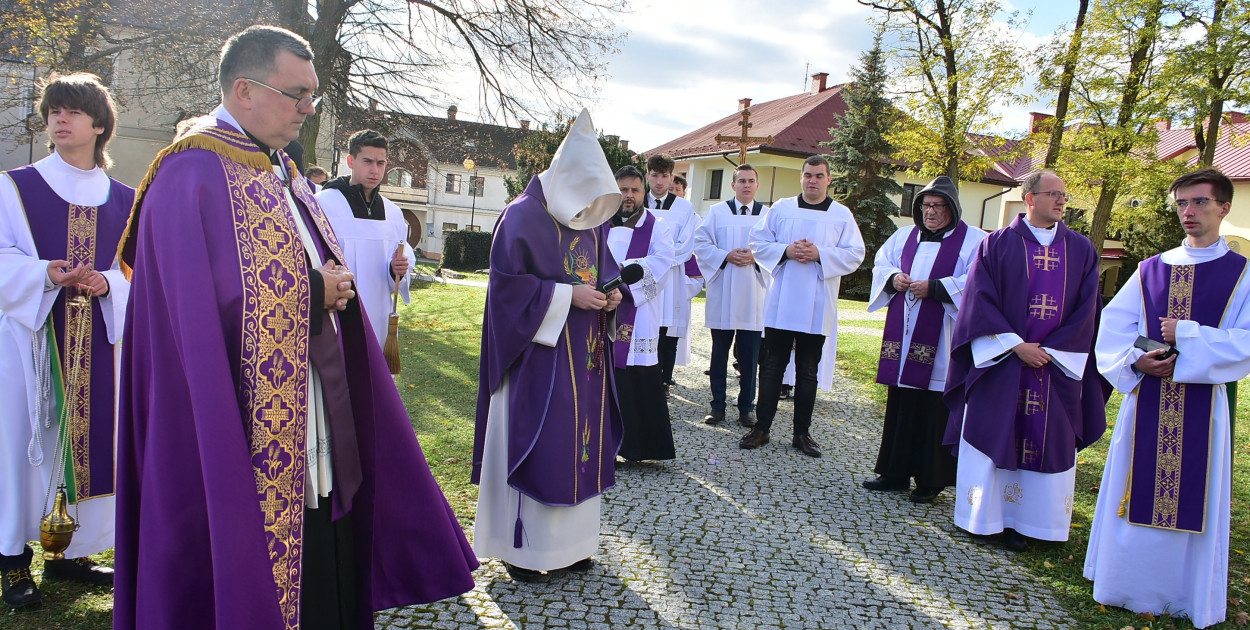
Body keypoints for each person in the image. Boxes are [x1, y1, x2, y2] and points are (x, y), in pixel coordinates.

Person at [113, 26, 477, 629]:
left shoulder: (278, 168)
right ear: (244, 89)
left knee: (321, 540)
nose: (309, 110)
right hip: (237, 415)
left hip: (310, 407)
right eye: (298, 94)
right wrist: (314, 290)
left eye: (313, 96)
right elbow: (191, 302)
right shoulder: (191, 171)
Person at [1084, 168, 1250, 628]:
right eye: (1181, 204)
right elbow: (1115, 329)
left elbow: (1247, 342)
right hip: (1147, 401)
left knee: (1193, 492)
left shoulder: (1243, 275)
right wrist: (1135, 364)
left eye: (1199, 202)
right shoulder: (1152, 268)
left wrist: (1190, 337)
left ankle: (1182, 592)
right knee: (1133, 487)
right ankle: (1123, 583)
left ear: (1224, 208)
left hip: (1204, 408)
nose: (1189, 212)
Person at [471, 109, 626, 581]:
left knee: (579, 446)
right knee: (542, 443)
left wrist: (612, 293)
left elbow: (604, 269)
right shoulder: (521, 217)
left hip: (585, 360)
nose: (588, 209)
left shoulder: (591, 218)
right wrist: (566, 296)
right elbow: (505, 292)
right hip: (535, 360)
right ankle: (524, 552)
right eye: (583, 196)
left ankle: (575, 546)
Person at [0, 72, 133, 610]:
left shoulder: (126, 199)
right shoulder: (15, 187)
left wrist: (110, 284)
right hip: (29, 345)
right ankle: (12, 562)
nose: (60, 119)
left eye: (73, 111)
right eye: (54, 110)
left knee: (90, 442)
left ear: (99, 125)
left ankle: (70, 553)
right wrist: (43, 275)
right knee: (19, 448)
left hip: (100, 345)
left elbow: (141, 271)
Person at [942, 169, 1106, 552]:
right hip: (1001, 362)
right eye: (1053, 194)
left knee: (1048, 439)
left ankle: (1036, 525)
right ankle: (985, 519)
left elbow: (1089, 311)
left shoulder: (1081, 250)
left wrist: (1050, 351)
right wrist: (1017, 346)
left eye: (1065, 195)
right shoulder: (996, 244)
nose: (1062, 201)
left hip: (1054, 367)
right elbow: (978, 302)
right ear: (1029, 198)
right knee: (994, 431)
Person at [862, 176, 986, 503]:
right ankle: (894, 472)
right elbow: (881, 264)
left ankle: (931, 480)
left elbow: (978, 282)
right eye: (926, 205)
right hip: (903, 338)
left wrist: (935, 288)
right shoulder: (905, 235)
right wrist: (894, 278)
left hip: (943, 341)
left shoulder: (974, 240)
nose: (930, 212)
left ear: (953, 207)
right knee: (901, 404)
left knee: (933, 410)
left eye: (938, 206)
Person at [740, 155, 865, 458]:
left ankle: (801, 433)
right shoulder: (781, 208)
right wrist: (786, 249)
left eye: (819, 176)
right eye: (808, 175)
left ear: (829, 179)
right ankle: (762, 427)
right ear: (801, 176)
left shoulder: (841, 214)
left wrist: (820, 254)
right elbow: (757, 240)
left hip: (817, 304)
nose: (813, 181)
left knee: (808, 372)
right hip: (782, 302)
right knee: (771, 368)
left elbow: (855, 253)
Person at [316, 129, 415, 347]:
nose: (374, 170)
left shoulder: (393, 213)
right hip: (338, 311)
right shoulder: (322, 205)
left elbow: (401, 257)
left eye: (380, 163)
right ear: (350, 161)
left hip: (379, 314)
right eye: (367, 161)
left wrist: (395, 268)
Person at [610, 165, 678, 462]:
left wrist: (620, 281)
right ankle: (602, 445)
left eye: (634, 190)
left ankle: (637, 448)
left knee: (635, 378)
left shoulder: (656, 226)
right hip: (598, 311)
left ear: (643, 192)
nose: (628, 196)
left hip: (637, 316)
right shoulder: (599, 220)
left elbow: (663, 262)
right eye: (623, 189)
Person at [693, 163, 767, 428]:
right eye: (741, 181)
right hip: (723, 289)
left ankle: (747, 407)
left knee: (750, 356)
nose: (746, 185)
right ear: (733, 185)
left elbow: (776, 250)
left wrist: (756, 257)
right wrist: (725, 255)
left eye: (751, 181)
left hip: (753, 293)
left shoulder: (768, 215)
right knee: (719, 354)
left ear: (757, 185)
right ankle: (717, 406)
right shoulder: (716, 212)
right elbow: (700, 243)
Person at [645, 153, 700, 387]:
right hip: (643, 276)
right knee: (645, 327)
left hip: (671, 276)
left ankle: (664, 381)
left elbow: (687, 243)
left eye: (664, 176)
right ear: (647, 176)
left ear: (671, 178)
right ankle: (643, 381)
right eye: (655, 175)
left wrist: (661, 260)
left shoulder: (684, 208)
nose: (659, 182)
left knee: (667, 330)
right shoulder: (639, 203)